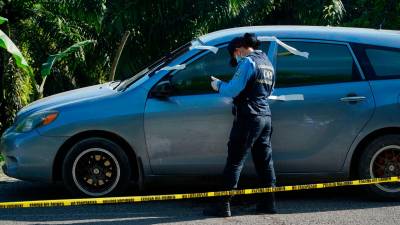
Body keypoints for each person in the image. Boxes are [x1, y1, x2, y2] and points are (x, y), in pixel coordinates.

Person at [203, 33, 278, 217]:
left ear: (238, 50)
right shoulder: (267, 62)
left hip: (249, 118)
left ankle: (223, 206)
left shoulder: (248, 62)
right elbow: (270, 90)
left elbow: (232, 89)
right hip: (265, 117)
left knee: (235, 161)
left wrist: (218, 85)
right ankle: (268, 203)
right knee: (265, 162)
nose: (235, 59)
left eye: (234, 55)